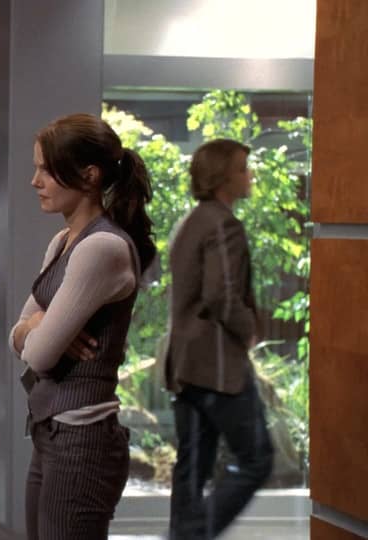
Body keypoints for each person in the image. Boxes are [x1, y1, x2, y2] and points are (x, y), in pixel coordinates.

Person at [10, 113, 156, 539]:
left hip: (83, 442)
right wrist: (37, 327)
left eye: (46, 170)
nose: (35, 181)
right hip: (52, 432)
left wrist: (37, 331)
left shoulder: (102, 247)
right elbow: (15, 334)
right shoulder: (63, 242)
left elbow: (38, 355)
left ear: (89, 176)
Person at [164, 139, 273, 539]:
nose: (250, 176)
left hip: (186, 365)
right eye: (243, 168)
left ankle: (183, 535)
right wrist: (250, 331)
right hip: (217, 366)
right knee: (256, 458)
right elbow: (221, 295)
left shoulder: (191, 222)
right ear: (221, 177)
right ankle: (192, 534)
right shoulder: (224, 224)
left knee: (191, 469)